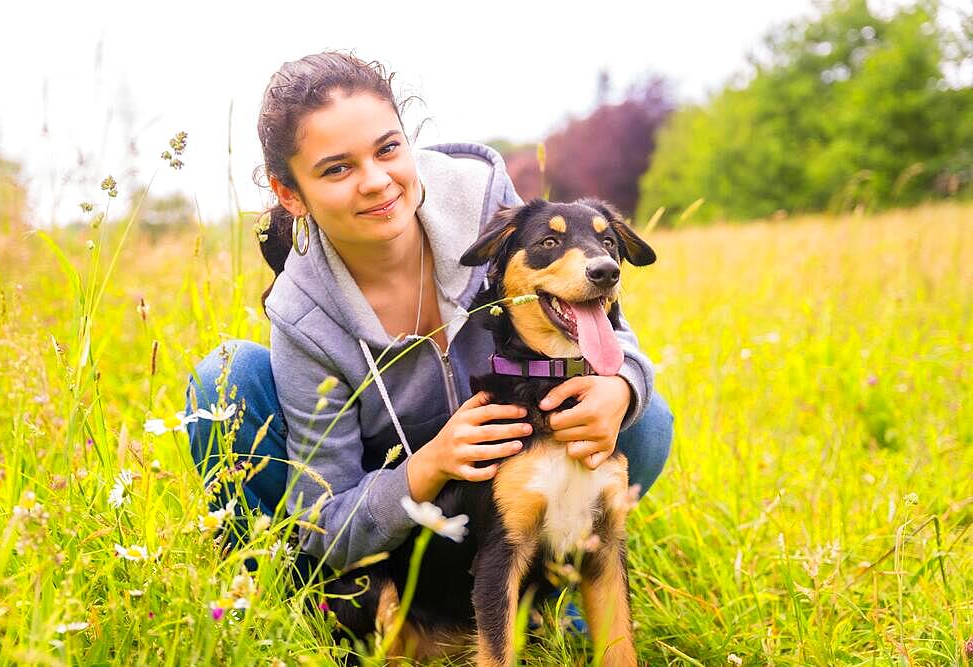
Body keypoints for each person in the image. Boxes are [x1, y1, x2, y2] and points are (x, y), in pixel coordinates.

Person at [187, 52, 673, 576]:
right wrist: (429, 464)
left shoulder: (482, 200)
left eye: (388, 149)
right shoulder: (305, 314)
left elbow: (600, 322)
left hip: (513, 465)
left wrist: (622, 386)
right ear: (290, 194)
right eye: (337, 168)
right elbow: (322, 523)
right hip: (395, 504)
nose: (376, 181)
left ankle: (560, 579)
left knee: (646, 419)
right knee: (225, 377)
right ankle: (277, 601)